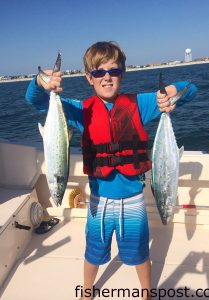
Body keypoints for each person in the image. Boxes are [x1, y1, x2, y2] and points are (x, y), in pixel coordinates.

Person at [26, 41, 197, 299]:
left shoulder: (141, 105)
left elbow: (191, 89)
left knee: (140, 253)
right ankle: (87, 290)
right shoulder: (81, 111)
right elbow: (34, 100)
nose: (107, 77)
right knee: (93, 251)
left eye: (114, 71)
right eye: (98, 72)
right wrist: (42, 83)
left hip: (133, 200)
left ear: (122, 74)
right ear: (89, 78)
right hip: (99, 201)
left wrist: (169, 93)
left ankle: (146, 292)